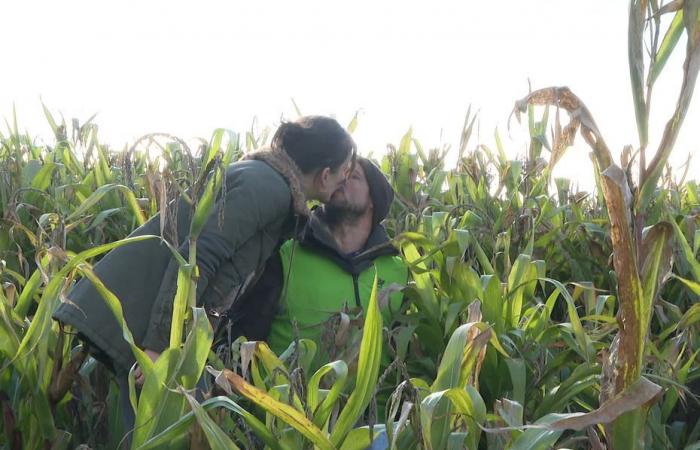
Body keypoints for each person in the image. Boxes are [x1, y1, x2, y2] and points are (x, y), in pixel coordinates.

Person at [52, 116, 355, 427]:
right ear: (326, 173)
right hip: (143, 324)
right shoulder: (268, 188)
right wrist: (162, 348)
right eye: (346, 170)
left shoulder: (269, 182)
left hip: (148, 321)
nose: (347, 179)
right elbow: (196, 257)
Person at [223, 157, 407, 370]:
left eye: (353, 176)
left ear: (374, 198)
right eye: (339, 174)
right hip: (284, 400)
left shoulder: (399, 270)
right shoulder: (286, 254)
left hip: (376, 404)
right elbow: (243, 340)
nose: (341, 180)